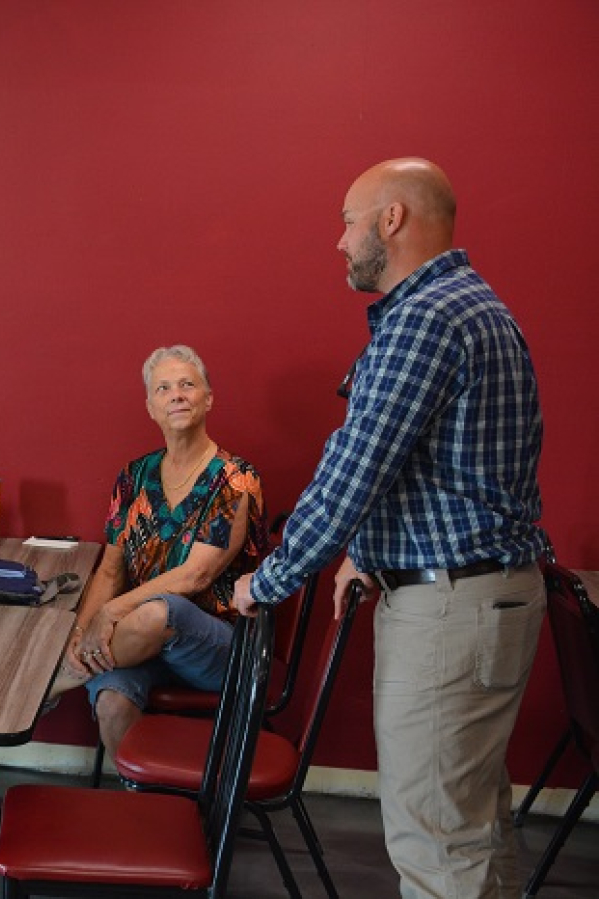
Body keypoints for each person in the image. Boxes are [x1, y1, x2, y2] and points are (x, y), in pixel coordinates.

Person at [233, 157, 549, 899]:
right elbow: (445, 470)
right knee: (475, 835)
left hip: (449, 613)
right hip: (486, 596)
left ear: (392, 219)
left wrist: (267, 580)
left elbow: (356, 467)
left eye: (348, 219)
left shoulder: (424, 317)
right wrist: (368, 553)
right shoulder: (473, 304)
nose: (339, 241)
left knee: (437, 848)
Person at [50, 345, 266, 759]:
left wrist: (109, 614)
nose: (176, 395)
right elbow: (110, 572)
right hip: (135, 644)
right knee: (112, 703)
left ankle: (54, 684)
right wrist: (78, 631)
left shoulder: (237, 479)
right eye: (163, 388)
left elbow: (197, 576)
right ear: (150, 406)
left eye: (188, 384)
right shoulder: (133, 477)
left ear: (208, 398)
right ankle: (145, 808)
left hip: (216, 646)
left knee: (158, 610)